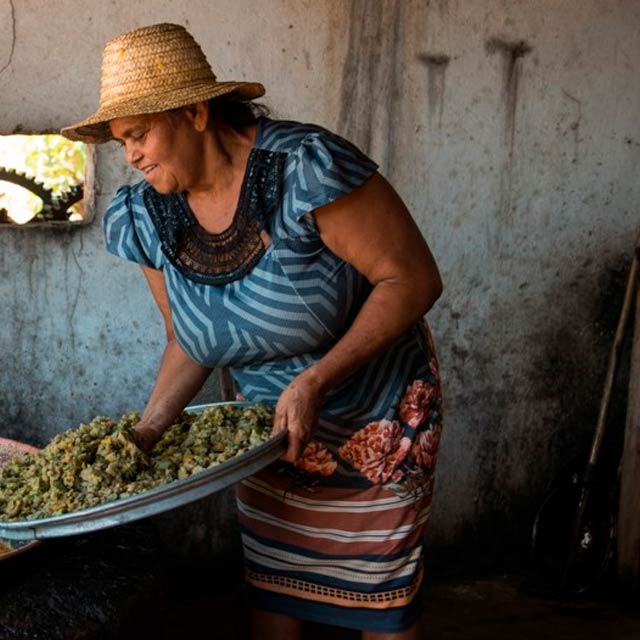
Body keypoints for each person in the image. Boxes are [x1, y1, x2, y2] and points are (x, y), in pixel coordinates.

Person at [61, 23, 444, 639]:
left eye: (138, 134)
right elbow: (187, 338)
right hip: (269, 429)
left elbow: (412, 280)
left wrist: (315, 380)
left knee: (381, 594)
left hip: (378, 415)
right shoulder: (147, 214)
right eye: (119, 141)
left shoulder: (305, 169)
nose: (128, 154)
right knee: (277, 582)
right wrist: (149, 430)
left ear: (193, 111)